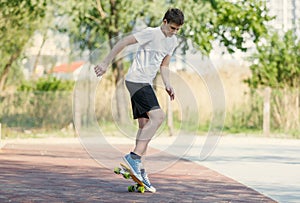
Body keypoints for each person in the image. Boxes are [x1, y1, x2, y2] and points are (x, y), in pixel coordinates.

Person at [94, 8, 184, 193]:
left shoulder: (172, 41)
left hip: (144, 82)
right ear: (165, 22)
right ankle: (134, 158)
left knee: (144, 127)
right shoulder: (151, 33)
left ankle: (140, 172)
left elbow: (164, 65)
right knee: (158, 117)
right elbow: (124, 41)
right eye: (172, 28)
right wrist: (105, 62)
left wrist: (168, 84)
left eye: (177, 29)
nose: (174, 32)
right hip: (137, 80)